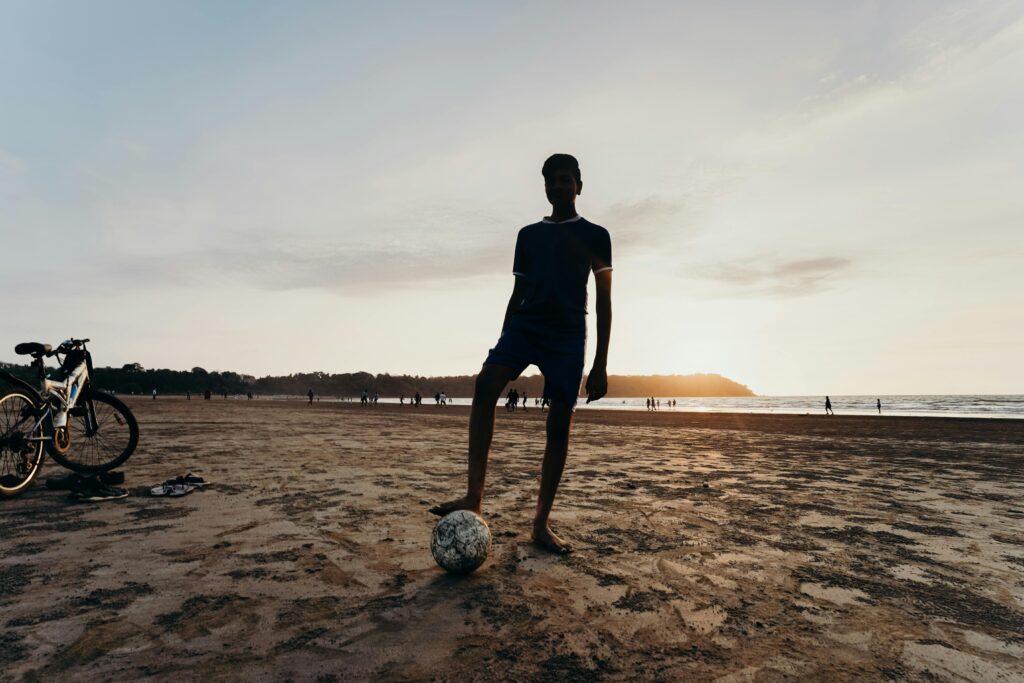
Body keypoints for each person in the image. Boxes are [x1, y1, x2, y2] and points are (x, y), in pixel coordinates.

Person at [431, 153, 612, 554]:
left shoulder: (597, 235)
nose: (558, 187)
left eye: (566, 180)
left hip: (567, 333)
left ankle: (540, 524)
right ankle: (473, 496)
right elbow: (517, 293)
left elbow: (604, 301)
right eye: (551, 181)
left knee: (559, 421)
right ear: (544, 187)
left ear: (579, 185)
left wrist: (599, 364)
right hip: (526, 325)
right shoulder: (528, 235)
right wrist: (503, 340)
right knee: (485, 383)